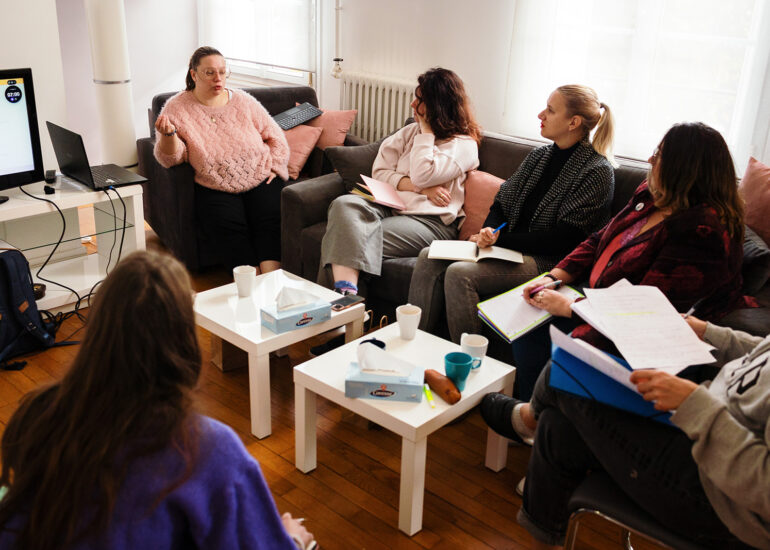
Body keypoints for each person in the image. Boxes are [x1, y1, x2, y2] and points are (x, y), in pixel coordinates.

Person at [0, 251, 314, 550]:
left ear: (99, 329)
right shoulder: (206, 448)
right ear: (183, 342)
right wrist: (292, 539)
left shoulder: (37, 411)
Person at [487, 121, 750, 403]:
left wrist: (570, 308)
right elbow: (599, 239)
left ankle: (537, 418)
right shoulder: (651, 195)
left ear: (683, 169)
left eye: (659, 155)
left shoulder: (700, 231)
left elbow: (649, 312)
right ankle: (536, 417)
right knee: (526, 325)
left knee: (559, 340)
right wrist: (554, 276)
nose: (650, 159)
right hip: (600, 301)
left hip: (645, 331)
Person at [514, 315, 765, 549]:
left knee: (566, 377)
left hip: (723, 500)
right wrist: (709, 333)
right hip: (706, 429)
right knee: (558, 424)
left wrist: (696, 405)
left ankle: (525, 420)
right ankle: (545, 538)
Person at [408, 84, 616, 343]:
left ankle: (471, 362)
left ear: (573, 122)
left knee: (460, 274)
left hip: (548, 261)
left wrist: (499, 239)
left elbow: (566, 239)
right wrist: (489, 230)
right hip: (506, 249)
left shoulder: (596, 171)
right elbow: (502, 203)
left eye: (550, 111)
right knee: (428, 256)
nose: (541, 115)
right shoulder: (539, 156)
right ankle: (414, 344)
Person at [319, 67, 481, 296]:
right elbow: (380, 173)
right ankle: (347, 302)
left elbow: (422, 173)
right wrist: (421, 189)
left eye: (420, 100)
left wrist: (426, 133)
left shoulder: (463, 145)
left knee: (343, 237)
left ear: (439, 105)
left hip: (430, 222)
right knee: (344, 205)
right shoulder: (407, 133)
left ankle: (340, 308)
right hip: (390, 206)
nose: (413, 105)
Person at [154, 46, 289, 273]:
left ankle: (272, 281)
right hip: (214, 184)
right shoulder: (176, 108)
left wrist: (275, 166)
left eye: (223, 72)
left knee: (270, 221)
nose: (218, 78)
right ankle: (251, 284)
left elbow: (276, 138)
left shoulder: (244, 101)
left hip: (261, 175)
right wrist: (168, 136)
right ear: (193, 74)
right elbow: (171, 158)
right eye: (209, 73)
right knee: (228, 228)